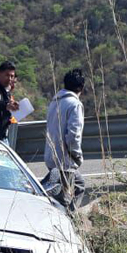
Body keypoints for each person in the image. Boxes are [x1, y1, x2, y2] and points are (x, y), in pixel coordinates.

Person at [42, 69, 86, 212]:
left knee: (78, 185)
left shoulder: (54, 102)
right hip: (64, 159)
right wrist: (77, 156)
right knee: (64, 199)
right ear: (81, 87)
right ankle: (67, 218)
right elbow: (73, 136)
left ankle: (67, 215)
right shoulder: (75, 104)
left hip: (51, 156)